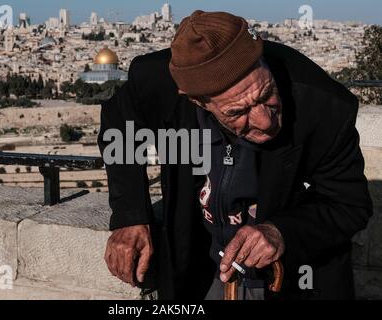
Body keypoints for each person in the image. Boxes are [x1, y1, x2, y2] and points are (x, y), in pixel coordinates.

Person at [98, 10, 373, 300]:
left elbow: (349, 204)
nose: (266, 121)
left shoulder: (323, 106)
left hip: (291, 278)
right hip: (200, 269)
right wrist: (130, 215)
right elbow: (120, 124)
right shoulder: (156, 80)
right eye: (238, 112)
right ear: (197, 100)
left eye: (267, 94)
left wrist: (280, 232)